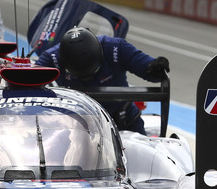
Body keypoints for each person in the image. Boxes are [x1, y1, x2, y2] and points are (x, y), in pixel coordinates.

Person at [35, 27, 169, 134]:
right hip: (78, 126)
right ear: (63, 61)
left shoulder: (116, 48)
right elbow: (31, 80)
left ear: (101, 53)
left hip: (124, 121)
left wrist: (155, 66)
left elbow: (148, 69)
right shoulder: (51, 58)